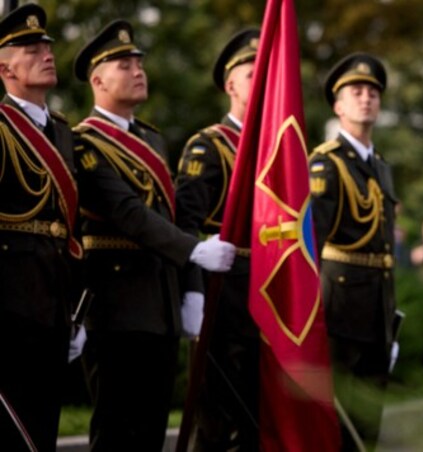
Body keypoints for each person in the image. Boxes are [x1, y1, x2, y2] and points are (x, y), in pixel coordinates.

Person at [71, 20, 235, 450]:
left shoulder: (150, 139)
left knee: (151, 430)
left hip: (159, 302)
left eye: (139, 62)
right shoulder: (84, 143)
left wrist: (189, 289)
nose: (138, 70)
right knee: (116, 431)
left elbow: (175, 217)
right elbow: (128, 213)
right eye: (124, 64)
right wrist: (195, 252)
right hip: (116, 304)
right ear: (98, 79)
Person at [174, 27, 260, 450]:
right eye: (250, 74)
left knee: (256, 420)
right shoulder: (208, 146)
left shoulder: (274, 151)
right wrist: (192, 293)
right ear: (230, 85)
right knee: (214, 417)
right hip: (222, 296)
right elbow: (185, 226)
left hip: (265, 296)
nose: (260, 81)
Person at [0, 4, 82, 450]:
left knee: (43, 429)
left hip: (52, 303)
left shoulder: (62, 131)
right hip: (9, 305)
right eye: (31, 49)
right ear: (4, 68)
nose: (46, 54)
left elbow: (69, 226)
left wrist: (75, 310)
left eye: (47, 46)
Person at [309, 52, 398, 452]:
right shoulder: (325, 164)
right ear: (338, 105)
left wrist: (389, 320)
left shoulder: (381, 165)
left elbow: (385, 251)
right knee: (336, 427)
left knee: (367, 427)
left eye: (373, 92)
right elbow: (309, 246)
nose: (366, 98)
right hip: (339, 312)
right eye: (356, 91)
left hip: (377, 313)